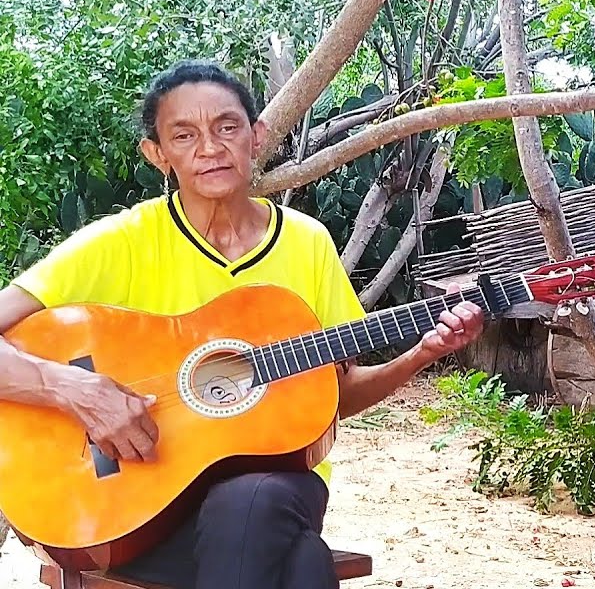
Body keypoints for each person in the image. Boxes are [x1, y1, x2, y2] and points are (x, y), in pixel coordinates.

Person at [0, 59, 485, 589]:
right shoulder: (120, 242)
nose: (209, 148)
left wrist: (421, 355)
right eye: (183, 135)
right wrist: (77, 389)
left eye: (226, 127)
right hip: (140, 503)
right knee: (302, 565)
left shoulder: (307, 242)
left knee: (255, 499)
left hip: (283, 489)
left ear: (256, 137)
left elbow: (336, 399)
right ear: (157, 155)